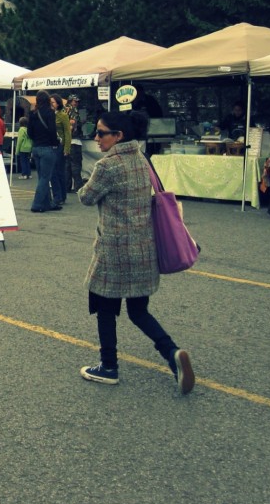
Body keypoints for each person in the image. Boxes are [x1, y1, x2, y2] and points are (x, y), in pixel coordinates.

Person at [77, 110, 195, 394]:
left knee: (105, 309)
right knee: (138, 311)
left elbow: (85, 197)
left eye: (102, 132)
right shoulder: (143, 160)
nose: (97, 137)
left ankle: (108, 366)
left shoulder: (108, 166)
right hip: (144, 249)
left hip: (115, 251)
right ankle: (171, 353)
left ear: (119, 136)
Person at [28, 91, 61, 213]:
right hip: (47, 148)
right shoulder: (50, 113)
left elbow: (29, 133)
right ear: (47, 100)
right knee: (45, 178)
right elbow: (52, 131)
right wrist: (55, 144)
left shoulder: (32, 113)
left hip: (36, 148)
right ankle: (36, 204)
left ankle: (47, 204)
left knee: (42, 177)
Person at [51, 94, 69, 206]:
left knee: (59, 171)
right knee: (54, 171)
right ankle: (58, 195)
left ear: (58, 103)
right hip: (51, 145)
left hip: (60, 145)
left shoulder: (62, 115)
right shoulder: (49, 115)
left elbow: (67, 132)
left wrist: (67, 148)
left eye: (53, 102)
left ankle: (62, 195)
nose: (51, 104)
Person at [66, 94, 84, 192]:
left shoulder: (64, 110)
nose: (76, 103)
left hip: (66, 143)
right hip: (74, 141)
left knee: (67, 166)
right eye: (75, 101)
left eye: (77, 101)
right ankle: (79, 187)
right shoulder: (73, 110)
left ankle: (66, 187)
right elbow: (72, 124)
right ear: (70, 101)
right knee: (76, 165)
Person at [16, 111, 33, 179]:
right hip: (29, 148)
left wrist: (17, 151)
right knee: (27, 161)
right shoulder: (28, 129)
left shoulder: (21, 130)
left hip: (22, 148)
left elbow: (19, 141)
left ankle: (24, 174)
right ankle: (29, 174)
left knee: (23, 162)